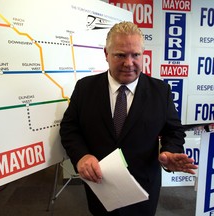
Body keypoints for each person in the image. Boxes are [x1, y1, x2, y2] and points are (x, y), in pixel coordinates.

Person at [59, 21, 197, 216]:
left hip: (143, 189)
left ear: (143, 55)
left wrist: (169, 152)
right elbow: (69, 128)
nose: (129, 63)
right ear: (106, 55)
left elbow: (173, 131)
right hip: (100, 186)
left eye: (135, 55)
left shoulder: (160, 91)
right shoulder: (84, 88)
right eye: (120, 55)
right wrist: (81, 155)